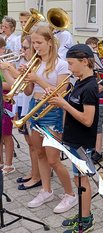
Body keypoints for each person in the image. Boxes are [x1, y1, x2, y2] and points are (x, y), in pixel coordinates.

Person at [23, 25, 77, 213]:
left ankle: (70, 194)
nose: (35, 46)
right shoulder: (35, 63)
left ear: (50, 42)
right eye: (34, 43)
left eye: (39, 42)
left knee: (53, 158)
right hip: (34, 108)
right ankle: (46, 190)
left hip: (52, 112)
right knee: (39, 154)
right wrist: (26, 78)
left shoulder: (61, 64)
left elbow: (60, 94)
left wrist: (37, 79)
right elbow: (28, 92)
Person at [49, 44, 98, 232]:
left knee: (82, 181)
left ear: (84, 61)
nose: (68, 67)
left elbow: (87, 120)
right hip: (74, 140)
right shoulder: (79, 82)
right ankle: (81, 213)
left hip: (82, 143)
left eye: (71, 63)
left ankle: (86, 219)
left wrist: (64, 104)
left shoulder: (90, 87)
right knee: (78, 180)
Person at [0, 35, 42, 190]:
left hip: (32, 107)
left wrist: (9, 68)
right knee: (30, 144)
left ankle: (38, 176)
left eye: (25, 48)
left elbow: (26, 86)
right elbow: (15, 87)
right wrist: (5, 70)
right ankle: (34, 172)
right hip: (22, 106)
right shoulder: (25, 63)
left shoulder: (35, 65)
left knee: (35, 145)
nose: (21, 51)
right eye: (22, 47)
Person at [0, 37, 15, 175]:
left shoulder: (8, 63)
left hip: (6, 99)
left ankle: (9, 164)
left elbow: (12, 85)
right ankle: (0, 162)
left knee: (6, 133)